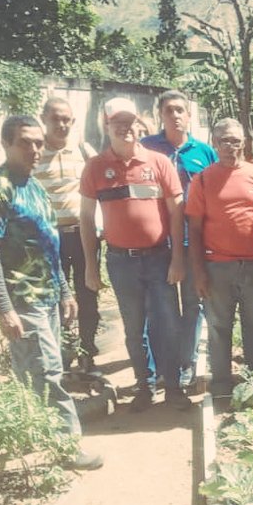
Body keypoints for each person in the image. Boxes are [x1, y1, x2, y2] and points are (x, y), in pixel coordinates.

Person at [0, 115, 102, 470]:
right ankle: (67, 448)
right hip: (23, 299)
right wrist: (4, 308)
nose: (34, 149)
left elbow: (49, 245)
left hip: (47, 296)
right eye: (24, 143)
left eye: (37, 143)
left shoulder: (33, 185)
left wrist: (64, 291)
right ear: (5, 144)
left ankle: (35, 437)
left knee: (34, 372)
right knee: (47, 372)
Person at [80, 97, 189, 413]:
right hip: (120, 261)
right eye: (118, 122)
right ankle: (145, 386)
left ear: (139, 123)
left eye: (130, 121)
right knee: (134, 326)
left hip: (159, 258)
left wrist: (178, 258)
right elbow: (86, 218)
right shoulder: (96, 168)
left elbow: (176, 212)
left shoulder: (159, 163)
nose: (125, 128)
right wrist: (91, 266)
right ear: (107, 125)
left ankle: (173, 388)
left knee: (168, 323)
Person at [186, 118, 253, 397]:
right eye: (224, 140)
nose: (230, 146)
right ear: (214, 144)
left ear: (244, 143)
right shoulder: (202, 180)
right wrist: (199, 272)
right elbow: (194, 228)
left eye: (236, 140)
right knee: (218, 328)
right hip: (217, 267)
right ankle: (221, 385)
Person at [141, 90, 217, 388]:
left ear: (189, 115)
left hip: (193, 243)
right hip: (157, 244)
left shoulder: (204, 152)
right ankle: (163, 368)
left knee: (193, 306)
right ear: (160, 114)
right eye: (169, 110)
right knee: (160, 309)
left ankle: (187, 365)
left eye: (180, 110)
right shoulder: (147, 149)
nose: (175, 115)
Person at [32, 97, 100, 375]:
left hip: (82, 236)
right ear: (44, 119)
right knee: (53, 297)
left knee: (88, 295)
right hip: (48, 239)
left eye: (67, 120)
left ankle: (87, 351)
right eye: (55, 119)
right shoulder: (33, 153)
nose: (61, 124)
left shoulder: (85, 151)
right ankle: (58, 355)